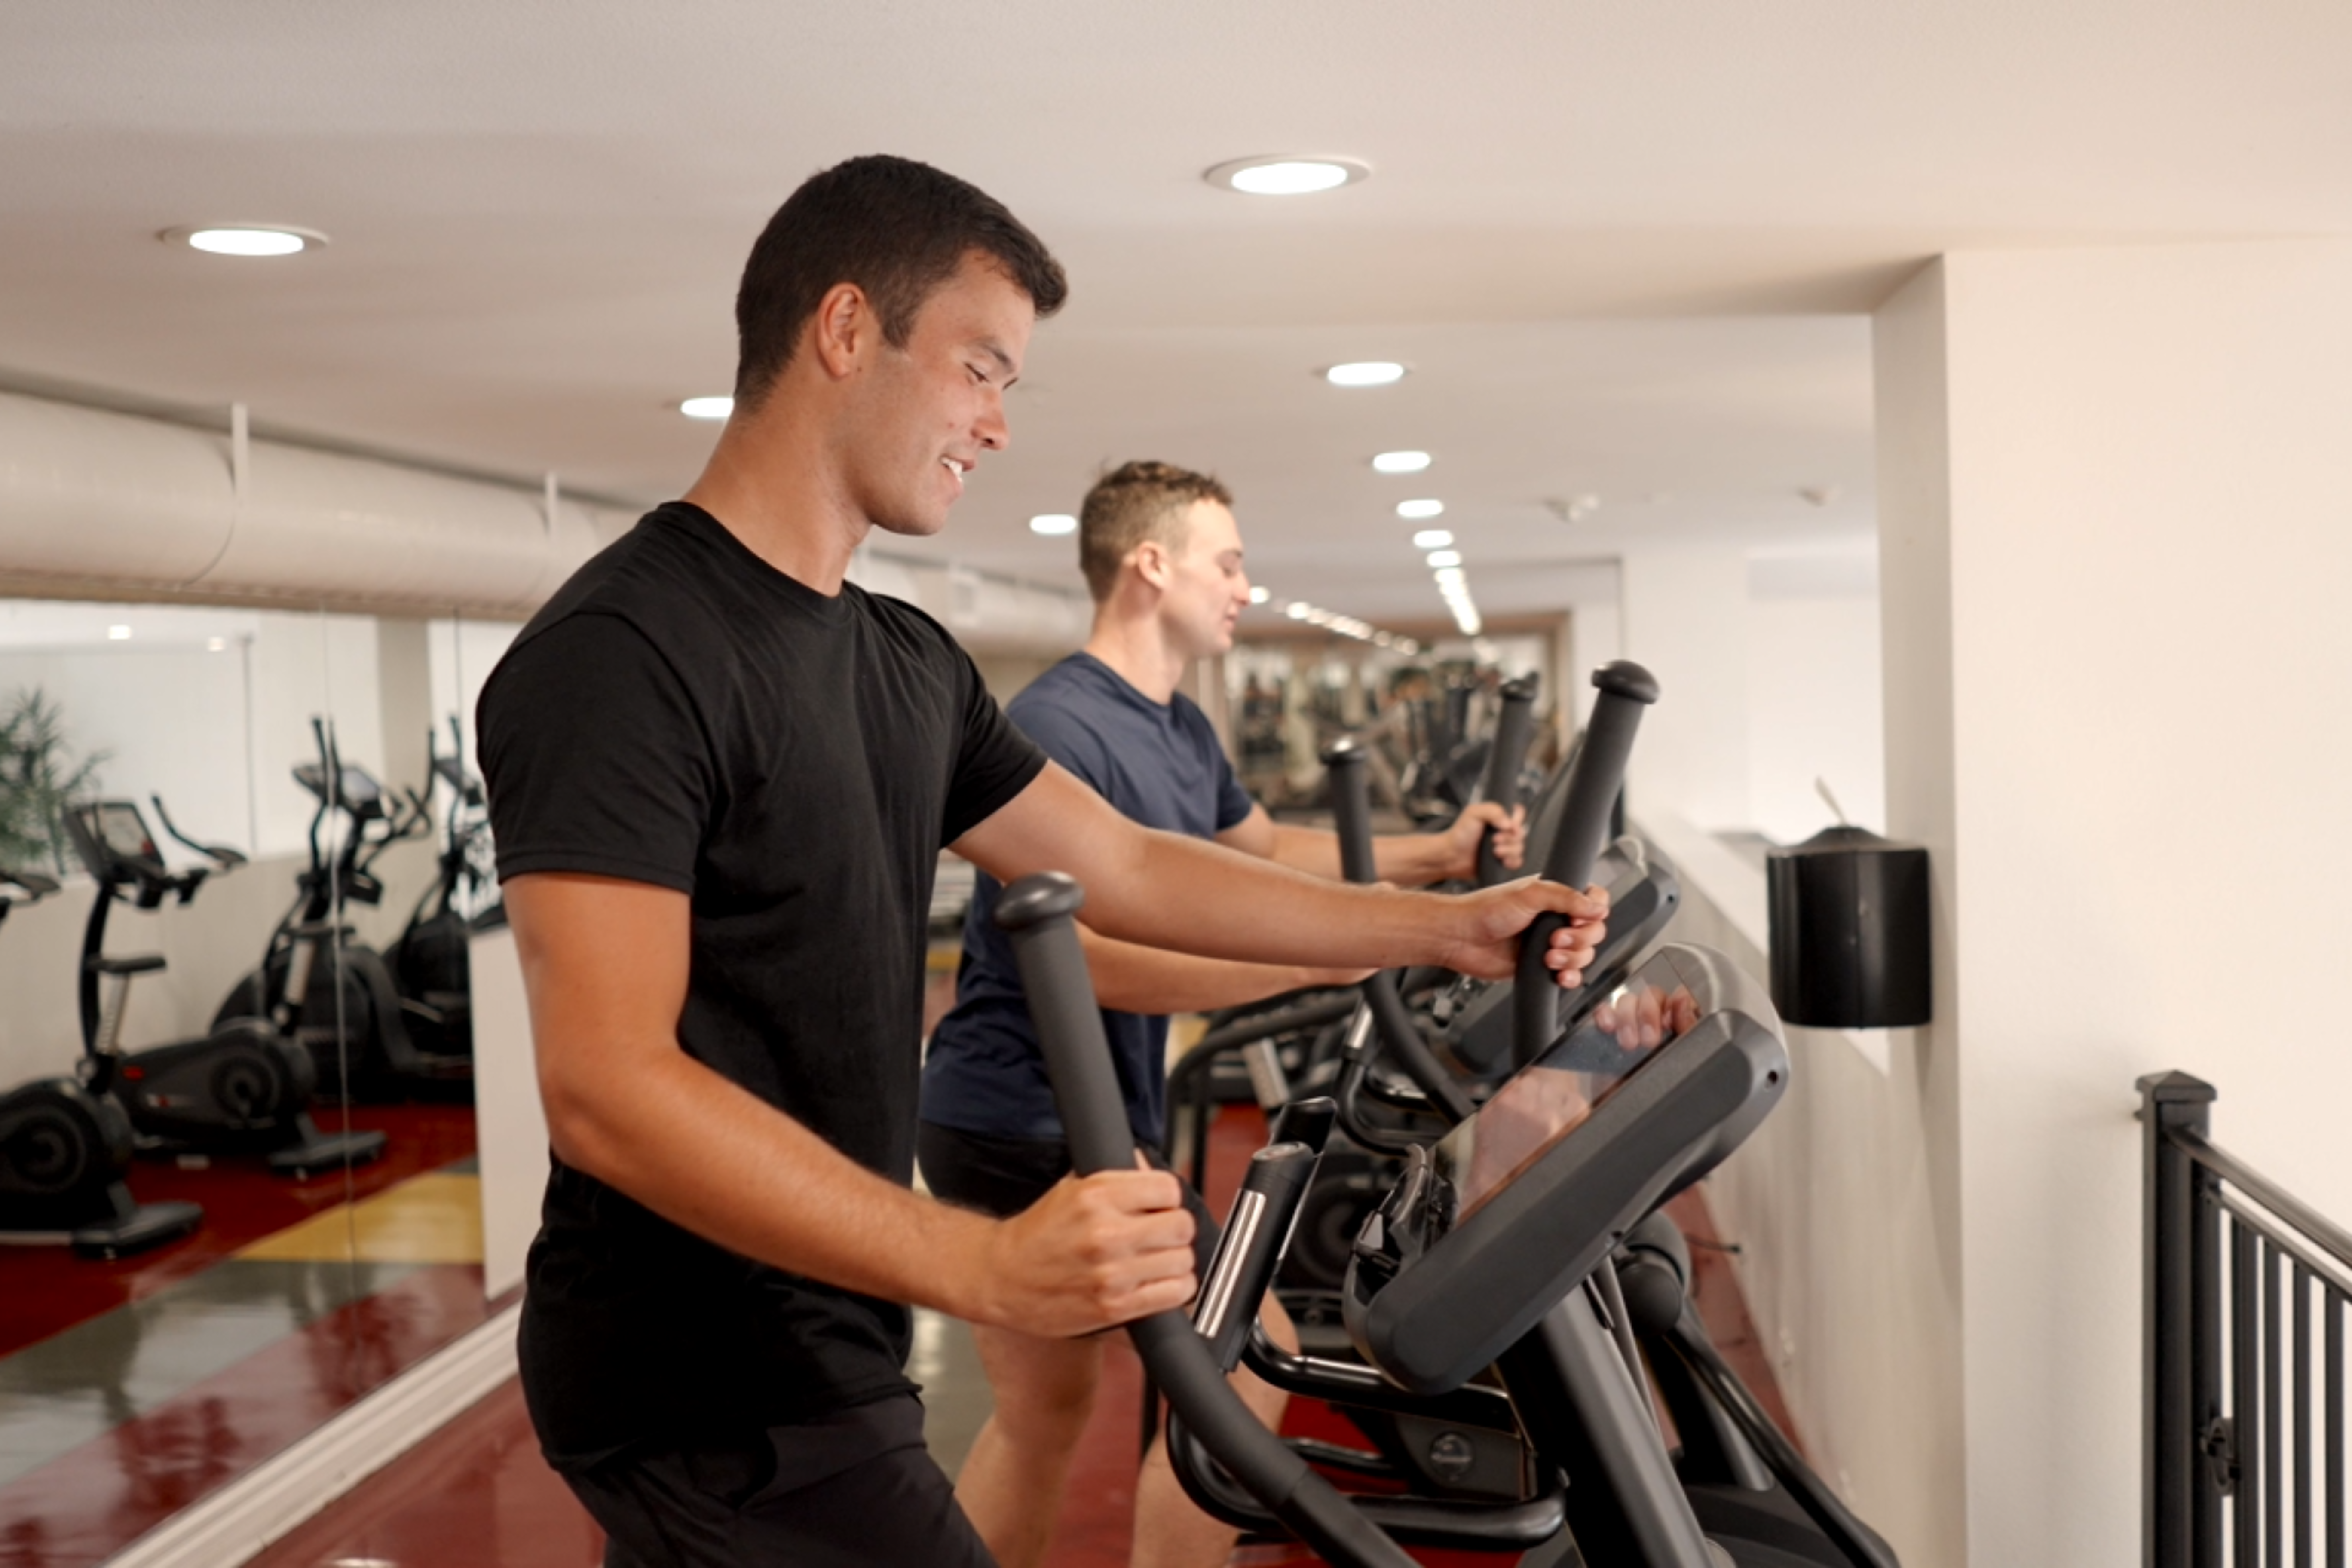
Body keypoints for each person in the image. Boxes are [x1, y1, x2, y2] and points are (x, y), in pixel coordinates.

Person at [478, 153, 1608, 1568]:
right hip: (698, 1373)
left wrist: (1439, 926)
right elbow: (606, 1088)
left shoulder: (898, 659)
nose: (998, 426)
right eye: (979, 370)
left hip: (820, 1330)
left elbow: (1130, 863)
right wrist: (987, 1265)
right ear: (845, 332)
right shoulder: (625, 656)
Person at [919, 459, 1531, 1568]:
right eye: (1230, 561)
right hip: (1032, 1120)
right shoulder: (1061, 725)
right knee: (1251, 1360)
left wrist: (1432, 865)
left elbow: (1265, 853)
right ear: (1152, 564)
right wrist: (1323, 961)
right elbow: (1092, 964)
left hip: (1043, 1116)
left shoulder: (1181, 727)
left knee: (1042, 1419)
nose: (1247, 586)